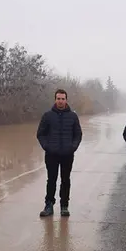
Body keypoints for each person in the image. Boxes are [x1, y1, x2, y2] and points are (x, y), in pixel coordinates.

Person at [36, 88, 83, 217]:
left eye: (62, 99)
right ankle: (49, 205)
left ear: (66, 100)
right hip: (51, 154)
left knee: (65, 180)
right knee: (51, 179)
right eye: (58, 99)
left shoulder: (73, 116)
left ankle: (64, 206)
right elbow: (40, 134)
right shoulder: (47, 116)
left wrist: (72, 147)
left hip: (67, 154)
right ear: (55, 99)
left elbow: (78, 134)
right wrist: (47, 146)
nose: (60, 101)